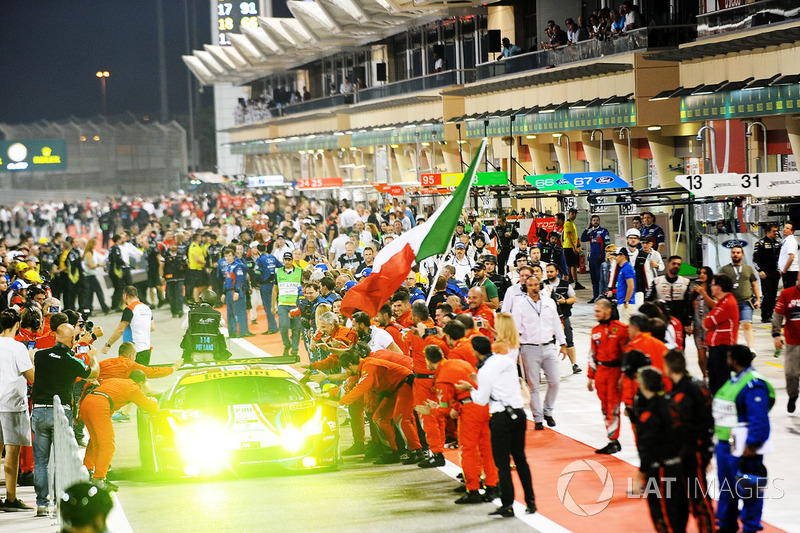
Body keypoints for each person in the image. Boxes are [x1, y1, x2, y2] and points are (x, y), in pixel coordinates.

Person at [456, 336, 536, 517]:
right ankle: (530, 501)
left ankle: (507, 504)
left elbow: (481, 399)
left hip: (501, 417)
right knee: (521, 460)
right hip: (519, 414)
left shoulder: (484, 371)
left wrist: (470, 387)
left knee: (502, 464)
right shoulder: (505, 361)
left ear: (476, 352)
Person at [416, 344, 498, 504]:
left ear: (428, 360)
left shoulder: (442, 378)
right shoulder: (460, 363)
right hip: (483, 406)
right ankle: (491, 485)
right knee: (485, 449)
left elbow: (445, 410)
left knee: (467, 451)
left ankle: (472, 489)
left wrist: (430, 411)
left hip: (468, 411)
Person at [32, 323, 99, 516]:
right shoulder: (71, 361)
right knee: (61, 460)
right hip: (61, 413)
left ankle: (42, 504)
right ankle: (60, 500)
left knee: (41, 462)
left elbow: (33, 355)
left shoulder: (40, 355)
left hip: (39, 412)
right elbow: (92, 373)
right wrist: (93, 357)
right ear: (71, 340)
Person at [712, 345, 774, 533]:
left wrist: (752, 446)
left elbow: (759, 418)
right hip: (726, 447)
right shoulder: (733, 381)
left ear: (734, 360)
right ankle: (727, 524)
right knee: (727, 489)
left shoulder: (753, 385)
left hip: (744, 450)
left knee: (750, 491)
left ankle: (750, 526)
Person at [337, 349, 419, 465]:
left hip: (405, 385)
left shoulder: (369, 367)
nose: (348, 372)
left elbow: (361, 388)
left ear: (350, 364)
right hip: (393, 390)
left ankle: (417, 451)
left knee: (401, 419)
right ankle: (394, 452)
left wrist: (341, 402)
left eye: (347, 369)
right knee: (379, 418)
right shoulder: (365, 366)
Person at [664, 350, 715, 533]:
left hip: (690, 454)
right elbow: (709, 421)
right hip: (699, 450)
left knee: (699, 499)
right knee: (689, 499)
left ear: (668, 368)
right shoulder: (699, 386)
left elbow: (684, 427)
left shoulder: (681, 394)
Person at [80, 371, 158, 490]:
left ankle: (87, 470)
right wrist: (154, 399)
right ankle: (99, 479)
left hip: (87, 402)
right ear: (141, 383)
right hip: (100, 406)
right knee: (108, 445)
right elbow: (150, 407)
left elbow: (89, 385)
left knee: (95, 441)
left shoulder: (114, 379)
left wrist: (78, 409)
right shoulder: (134, 388)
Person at [632, 367, 688, 533]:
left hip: (661, 470)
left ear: (645, 386)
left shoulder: (648, 415)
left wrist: (640, 475)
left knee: (663, 512)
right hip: (682, 466)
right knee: (679, 509)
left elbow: (648, 448)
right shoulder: (674, 404)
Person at [513, 276, 567, 430]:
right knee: (533, 385)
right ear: (526, 287)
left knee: (555, 382)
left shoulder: (549, 303)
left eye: (536, 284)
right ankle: (538, 417)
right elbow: (516, 329)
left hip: (549, 346)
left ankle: (548, 410)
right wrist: (516, 352)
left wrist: (563, 343)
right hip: (529, 348)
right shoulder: (520, 305)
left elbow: (557, 324)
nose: (533, 287)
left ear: (540, 285)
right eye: (530, 285)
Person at [0, 309, 35, 511]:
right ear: (17, 326)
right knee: (12, 454)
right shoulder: (18, 347)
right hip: (12, 405)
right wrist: (31, 358)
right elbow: (32, 377)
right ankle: (11, 499)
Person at [587, 298, 628, 454]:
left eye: (598, 311)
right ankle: (612, 439)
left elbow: (627, 354)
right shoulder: (595, 331)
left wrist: (623, 376)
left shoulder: (622, 329)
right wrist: (590, 377)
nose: (596, 314)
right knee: (605, 407)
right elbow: (592, 354)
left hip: (615, 372)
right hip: (601, 374)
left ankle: (613, 439)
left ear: (608, 310)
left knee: (613, 407)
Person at [703, 274, 739, 394]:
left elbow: (707, 323)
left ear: (719, 287)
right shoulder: (721, 302)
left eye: (712, 285)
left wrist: (711, 324)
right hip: (715, 348)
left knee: (720, 382)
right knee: (713, 381)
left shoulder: (726, 304)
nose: (711, 287)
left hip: (722, 348)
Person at [101, 286, 154, 365]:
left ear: (125, 296)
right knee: (142, 375)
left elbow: (120, 330)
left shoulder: (130, 309)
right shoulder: (147, 308)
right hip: (146, 349)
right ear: (136, 295)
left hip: (133, 352)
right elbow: (152, 328)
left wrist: (108, 344)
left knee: (130, 376)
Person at [720, 245, 760, 348]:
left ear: (742, 255)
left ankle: (751, 348)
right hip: (730, 304)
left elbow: (754, 284)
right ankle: (732, 348)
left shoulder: (748, 269)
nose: (735, 254)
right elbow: (719, 286)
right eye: (733, 252)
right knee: (733, 327)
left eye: (738, 252)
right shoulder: (724, 270)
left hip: (746, 302)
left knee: (747, 325)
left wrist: (758, 299)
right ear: (731, 254)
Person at [545, 263, 581, 374]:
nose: (549, 274)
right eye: (547, 272)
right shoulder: (543, 285)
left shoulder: (565, 284)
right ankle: (548, 368)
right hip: (548, 320)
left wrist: (564, 301)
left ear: (557, 272)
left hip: (564, 317)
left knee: (569, 341)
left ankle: (574, 364)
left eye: (551, 271)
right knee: (549, 344)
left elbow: (573, 298)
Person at [772, 273, 800, 412]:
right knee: (791, 374)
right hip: (793, 342)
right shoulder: (786, 294)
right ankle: (793, 395)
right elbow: (777, 315)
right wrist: (776, 335)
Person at [180, 290, 230, 362]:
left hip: (195, 349)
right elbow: (222, 324)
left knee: (198, 371)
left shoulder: (192, 313)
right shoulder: (217, 314)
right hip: (212, 349)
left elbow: (184, 327)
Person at [273, 252, 302, 359]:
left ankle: (295, 350)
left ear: (292, 260)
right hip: (283, 304)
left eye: (289, 259)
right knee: (283, 327)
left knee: (296, 328)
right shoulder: (278, 272)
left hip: (295, 304)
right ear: (283, 260)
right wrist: (273, 305)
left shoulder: (299, 271)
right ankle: (287, 344)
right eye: (285, 259)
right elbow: (275, 289)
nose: (287, 261)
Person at [219, 246, 252, 339]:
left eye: (229, 255)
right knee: (230, 313)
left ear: (233, 256)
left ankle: (243, 331)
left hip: (236, 291)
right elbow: (227, 281)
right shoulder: (228, 267)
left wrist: (237, 292)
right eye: (226, 256)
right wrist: (224, 293)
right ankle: (232, 333)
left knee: (240, 311)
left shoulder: (238, 266)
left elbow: (240, 279)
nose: (228, 258)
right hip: (229, 292)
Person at [690, 266, 715, 378]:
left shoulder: (713, 290)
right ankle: (705, 376)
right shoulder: (694, 291)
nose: (702, 275)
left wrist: (704, 293)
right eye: (700, 272)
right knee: (701, 359)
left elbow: (715, 305)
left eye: (705, 273)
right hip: (698, 328)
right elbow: (690, 309)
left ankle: (713, 375)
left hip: (711, 328)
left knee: (713, 356)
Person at [753, 223, 781, 323]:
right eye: (774, 231)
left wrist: (780, 270)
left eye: (776, 231)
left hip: (775, 272)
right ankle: (764, 315)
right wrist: (760, 270)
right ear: (768, 232)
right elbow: (755, 259)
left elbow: (780, 259)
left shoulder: (777, 243)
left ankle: (770, 314)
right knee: (767, 294)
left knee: (773, 295)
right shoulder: (760, 243)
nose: (776, 233)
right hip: (765, 273)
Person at [581, 214, 611, 302]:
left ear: (599, 221)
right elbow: (583, 238)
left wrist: (607, 256)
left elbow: (607, 244)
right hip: (592, 259)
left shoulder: (603, 231)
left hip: (600, 258)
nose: (595, 222)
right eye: (594, 220)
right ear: (591, 222)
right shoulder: (591, 232)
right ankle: (595, 296)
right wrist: (587, 228)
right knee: (593, 279)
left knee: (600, 278)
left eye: (597, 220)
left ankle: (601, 296)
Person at [253, 243, 281, 335]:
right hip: (274, 284)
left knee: (268, 306)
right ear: (265, 248)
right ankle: (276, 326)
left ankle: (272, 328)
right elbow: (281, 267)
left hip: (265, 285)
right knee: (275, 305)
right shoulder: (272, 257)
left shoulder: (260, 260)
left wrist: (259, 282)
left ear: (257, 250)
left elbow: (257, 273)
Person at [161, 239, 186, 318]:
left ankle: (180, 310)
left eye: (174, 245)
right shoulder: (165, 255)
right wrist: (161, 277)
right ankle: (174, 311)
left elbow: (187, 264)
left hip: (179, 278)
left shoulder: (182, 255)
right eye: (171, 245)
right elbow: (161, 267)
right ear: (169, 246)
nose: (173, 246)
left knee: (179, 295)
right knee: (171, 296)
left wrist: (184, 266)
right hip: (169, 278)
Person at [611, 248, 636, 323]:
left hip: (626, 304)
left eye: (616, 255)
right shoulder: (623, 268)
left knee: (625, 328)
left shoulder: (627, 268)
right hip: (622, 302)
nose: (615, 258)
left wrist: (626, 301)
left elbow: (631, 286)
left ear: (623, 256)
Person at [562, 208, 584, 289]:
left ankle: (572, 281)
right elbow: (569, 236)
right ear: (569, 213)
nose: (574, 215)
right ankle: (568, 282)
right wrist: (574, 248)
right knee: (570, 265)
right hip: (569, 247)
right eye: (572, 213)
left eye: (575, 213)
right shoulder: (568, 223)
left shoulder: (571, 223)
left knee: (573, 265)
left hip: (570, 247)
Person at [779, 222, 799, 289]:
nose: (784, 229)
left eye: (787, 228)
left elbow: (791, 257)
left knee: (789, 291)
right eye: (784, 227)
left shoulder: (790, 241)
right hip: (788, 270)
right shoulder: (787, 240)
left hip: (790, 271)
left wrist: (784, 270)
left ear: (792, 231)